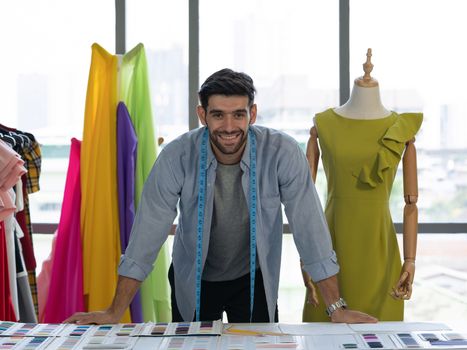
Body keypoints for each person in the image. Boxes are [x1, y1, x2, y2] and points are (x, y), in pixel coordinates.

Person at [66, 68, 376, 324]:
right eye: (218, 115)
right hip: (194, 277)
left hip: (253, 276)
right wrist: (114, 311)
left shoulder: (282, 153)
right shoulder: (176, 157)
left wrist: (336, 309)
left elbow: (310, 229)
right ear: (202, 114)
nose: (229, 127)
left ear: (252, 113)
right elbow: (146, 235)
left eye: (238, 115)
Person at [302, 49, 422, 321]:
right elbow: (304, 204)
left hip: (381, 249)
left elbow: (411, 202)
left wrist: (410, 261)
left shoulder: (400, 129)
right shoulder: (324, 124)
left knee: (382, 334)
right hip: (329, 247)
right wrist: (305, 261)